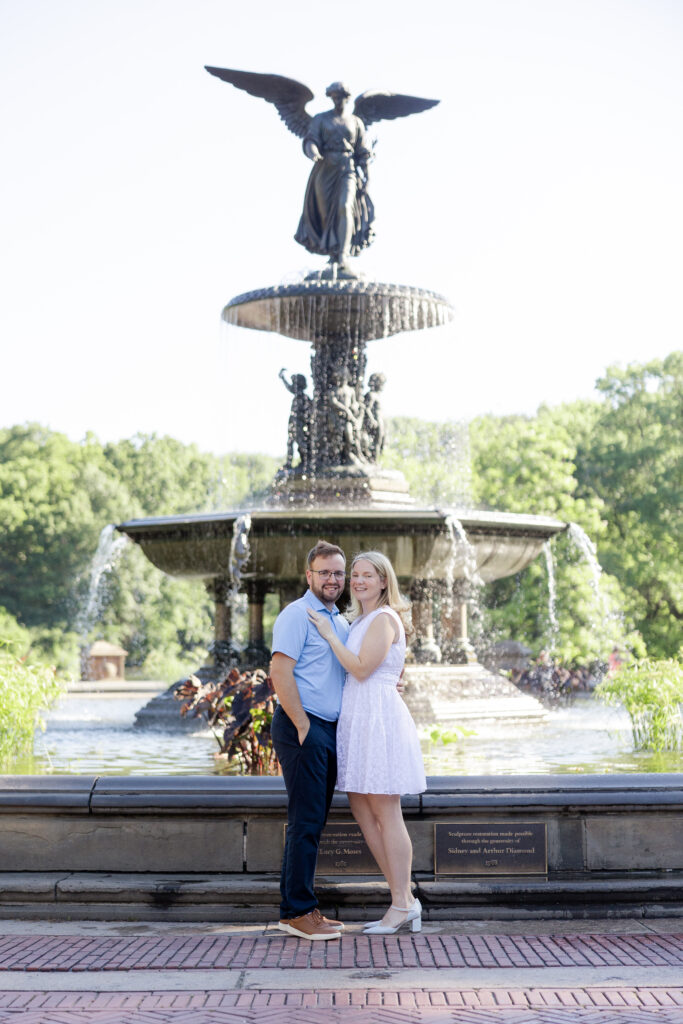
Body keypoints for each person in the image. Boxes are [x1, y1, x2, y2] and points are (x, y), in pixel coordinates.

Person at [307, 550, 426, 935]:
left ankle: (402, 903)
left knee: (386, 811)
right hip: (359, 718)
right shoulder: (360, 620)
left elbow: (360, 668)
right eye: (354, 575)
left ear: (383, 581)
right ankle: (402, 898)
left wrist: (327, 635)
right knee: (361, 809)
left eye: (367, 575)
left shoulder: (384, 618)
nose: (357, 581)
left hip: (377, 719)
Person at [270, 540, 348, 941]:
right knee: (305, 820)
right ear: (309, 576)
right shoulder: (297, 614)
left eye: (338, 572)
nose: (332, 579)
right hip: (304, 726)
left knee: (313, 820)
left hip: (326, 730)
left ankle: (302, 907)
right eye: (325, 572)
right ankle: (297, 911)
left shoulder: (339, 622)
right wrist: (302, 725)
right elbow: (279, 671)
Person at [294, 82, 374, 270]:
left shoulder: (356, 122)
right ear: (331, 98)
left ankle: (343, 255)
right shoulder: (321, 119)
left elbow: (362, 151)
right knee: (324, 213)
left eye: (341, 97)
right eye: (335, 97)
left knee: (345, 206)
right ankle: (332, 254)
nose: (338, 100)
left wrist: (367, 176)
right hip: (325, 168)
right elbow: (311, 140)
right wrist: (313, 151)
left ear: (347, 98)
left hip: (347, 169)